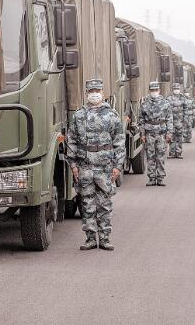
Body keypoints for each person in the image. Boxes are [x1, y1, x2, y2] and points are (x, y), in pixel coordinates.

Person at [67, 79, 125, 251]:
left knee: (104, 204)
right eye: (91, 90)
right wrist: (73, 165)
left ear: (102, 92)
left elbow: (119, 142)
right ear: (86, 93)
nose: (94, 93)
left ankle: (105, 238)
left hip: (105, 167)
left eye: (97, 90)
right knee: (87, 204)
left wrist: (118, 166)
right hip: (85, 167)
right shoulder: (78, 115)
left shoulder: (111, 115)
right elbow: (72, 140)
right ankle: (91, 238)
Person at [138, 82, 173, 186]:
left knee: (161, 156)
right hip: (149, 134)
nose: (154, 92)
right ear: (150, 91)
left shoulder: (165, 103)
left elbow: (169, 119)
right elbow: (141, 120)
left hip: (161, 133)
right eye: (152, 90)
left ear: (159, 90)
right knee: (150, 156)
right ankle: (152, 178)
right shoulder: (145, 104)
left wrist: (169, 133)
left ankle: (160, 178)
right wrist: (142, 134)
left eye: (156, 90)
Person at [167, 83, 187, 159]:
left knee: (179, 137)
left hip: (180, 120)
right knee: (171, 137)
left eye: (178, 89)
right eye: (175, 89)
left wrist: (185, 119)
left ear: (179, 89)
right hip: (171, 121)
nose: (176, 90)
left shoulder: (183, 97)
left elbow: (185, 108)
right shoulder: (169, 98)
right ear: (173, 89)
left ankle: (178, 153)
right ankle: (172, 153)